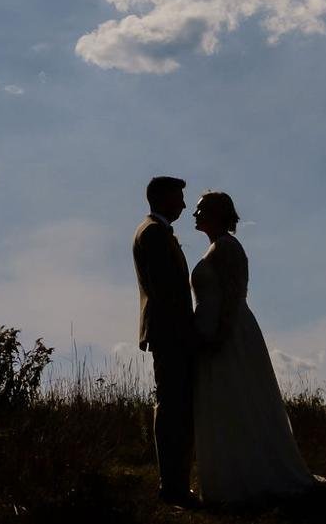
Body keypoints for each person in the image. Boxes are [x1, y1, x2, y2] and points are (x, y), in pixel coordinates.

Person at [190, 191, 320, 507]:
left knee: (238, 399)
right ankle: (228, 475)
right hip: (213, 332)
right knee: (222, 403)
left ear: (218, 214)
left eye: (201, 209)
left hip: (229, 334)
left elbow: (234, 295)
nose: (195, 213)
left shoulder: (228, 248)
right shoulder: (216, 247)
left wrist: (220, 335)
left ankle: (249, 476)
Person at [132, 175, 198, 507]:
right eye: (179, 198)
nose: (184, 205)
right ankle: (172, 486)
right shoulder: (154, 233)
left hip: (169, 331)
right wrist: (187, 332)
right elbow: (166, 291)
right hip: (171, 332)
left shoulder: (154, 232)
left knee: (176, 404)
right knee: (173, 406)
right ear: (162, 199)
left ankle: (174, 482)